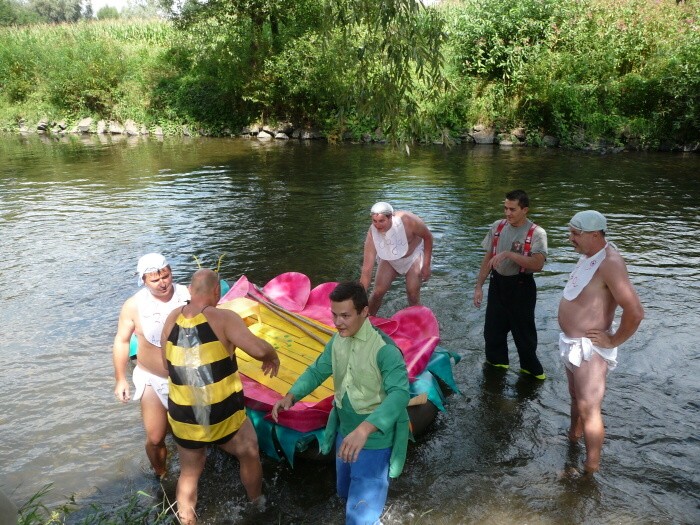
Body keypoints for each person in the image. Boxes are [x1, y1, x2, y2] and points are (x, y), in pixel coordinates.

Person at [271, 281, 410, 525]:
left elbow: (400, 395)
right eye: (334, 315)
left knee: (359, 517)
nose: (337, 322)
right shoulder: (337, 341)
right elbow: (317, 371)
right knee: (344, 492)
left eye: (345, 315)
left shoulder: (385, 350)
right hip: (344, 433)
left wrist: (365, 430)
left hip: (373, 441)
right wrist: (291, 396)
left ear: (365, 312)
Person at [161, 269, 280, 525]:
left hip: (183, 413)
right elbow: (257, 348)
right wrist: (272, 355)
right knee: (248, 450)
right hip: (221, 411)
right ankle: (257, 505)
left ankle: (187, 520)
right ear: (217, 291)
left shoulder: (172, 318)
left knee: (190, 472)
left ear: (190, 291)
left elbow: (165, 364)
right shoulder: (224, 318)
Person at [558, 210, 643, 474]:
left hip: (590, 349)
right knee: (576, 398)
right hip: (573, 343)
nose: (570, 238)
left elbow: (636, 311)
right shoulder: (589, 254)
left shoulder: (610, 263)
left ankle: (590, 468)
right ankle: (573, 439)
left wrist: (613, 340)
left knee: (589, 407)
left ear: (595, 235)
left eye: (575, 234)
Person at [113, 253, 191, 478]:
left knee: (193, 436)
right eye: (155, 280)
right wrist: (120, 378)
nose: (163, 283)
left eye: (166, 276)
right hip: (152, 378)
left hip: (187, 380)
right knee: (156, 438)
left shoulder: (187, 295)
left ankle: (192, 476)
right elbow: (122, 341)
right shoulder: (134, 305)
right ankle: (162, 475)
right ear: (143, 280)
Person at [473, 189, 548, 379]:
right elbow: (488, 258)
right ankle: (496, 371)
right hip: (497, 286)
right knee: (492, 335)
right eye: (505, 208)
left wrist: (509, 254)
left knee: (524, 338)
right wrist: (479, 286)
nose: (507, 213)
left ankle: (532, 375)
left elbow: (538, 265)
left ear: (525, 210)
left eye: (512, 209)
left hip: (522, 287)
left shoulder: (536, 233)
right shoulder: (498, 227)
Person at [360, 202, 433, 315]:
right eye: (374, 221)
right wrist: (359, 297)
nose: (378, 225)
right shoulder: (372, 233)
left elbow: (428, 237)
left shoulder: (408, 220)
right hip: (389, 258)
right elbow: (367, 269)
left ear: (390, 217)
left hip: (412, 257)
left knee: (413, 295)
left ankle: (420, 323)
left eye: (381, 221)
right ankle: (366, 320)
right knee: (377, 293)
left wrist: (426, 265)